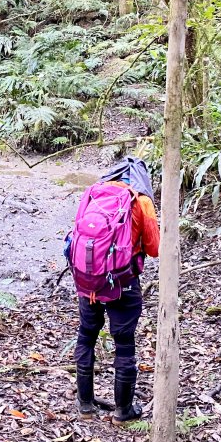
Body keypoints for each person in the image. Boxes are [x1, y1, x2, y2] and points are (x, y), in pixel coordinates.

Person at [69, 156, 159, 424]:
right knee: (124, 343)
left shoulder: (92, 194)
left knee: (86, 335)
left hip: (88, 279)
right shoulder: (140, 202)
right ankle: (123, 412)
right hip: (122, 282)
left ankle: (85, 406)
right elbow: (154, 249)